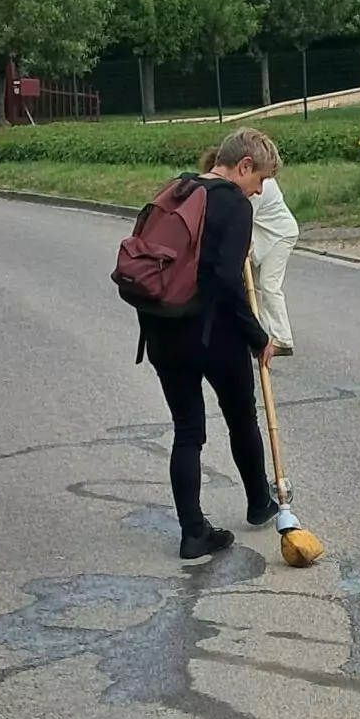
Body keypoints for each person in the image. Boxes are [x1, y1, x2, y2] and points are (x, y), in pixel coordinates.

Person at [140, 128, 278, 562]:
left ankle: (193, 532)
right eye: (260, 179)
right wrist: (258, 337)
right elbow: (225, 282)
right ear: (244, 165)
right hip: (213, 333)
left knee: (187, 432)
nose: (258, 191)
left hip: (162, 328)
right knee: (241, 417)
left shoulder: (178, 189)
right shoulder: (234, 204)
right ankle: (260, 502)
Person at [249, 136, 300, 355]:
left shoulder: (261, 183)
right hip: (265, 234)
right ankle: (262, 335)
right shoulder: (253, 178)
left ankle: (283, 339)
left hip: (281, 234)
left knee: (269, 284)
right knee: (253, 286)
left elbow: (243, 217)